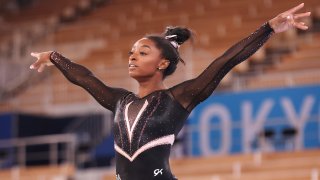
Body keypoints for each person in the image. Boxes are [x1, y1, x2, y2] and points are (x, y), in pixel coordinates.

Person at [30, 3, 310, 180]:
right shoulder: (119, 101)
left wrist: (269, 28)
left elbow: (225, 62)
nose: (132, 57)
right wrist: (54, 56)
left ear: (163, 63)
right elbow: (85, 78)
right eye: (131, 52)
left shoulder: (179, 98)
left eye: (142, 52)